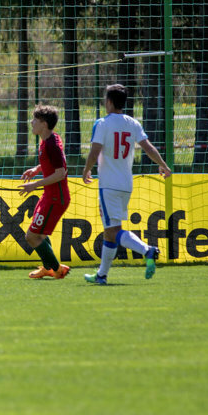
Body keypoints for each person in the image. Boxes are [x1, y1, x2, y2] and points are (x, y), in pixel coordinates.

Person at [82, 84, 172, 284]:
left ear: (110, 102)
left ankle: (146, 250)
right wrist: (164, 166)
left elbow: (95, 150)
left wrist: (87, 169)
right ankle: (101, 275)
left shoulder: (102, 123)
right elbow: (148, 148)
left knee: (113, 230)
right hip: (125, 184)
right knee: (111, 231)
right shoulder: (132, 123)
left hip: (108, 185)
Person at [20, 105, 72, 280]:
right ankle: (49, 266)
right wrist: (36, 169)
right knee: (38, 234)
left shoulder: (52, 145)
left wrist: (35, 184)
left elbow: (60, 173)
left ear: (44, 123)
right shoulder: (48, 140)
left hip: (56, 198)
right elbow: (52, 164)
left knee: (31, 237)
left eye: (35, 119)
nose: (31, 122)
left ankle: (56, 269)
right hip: (49, 196)